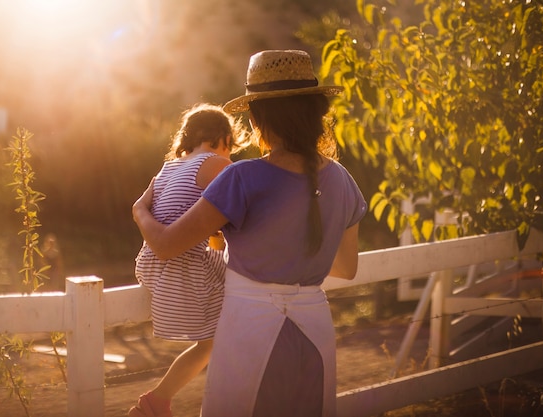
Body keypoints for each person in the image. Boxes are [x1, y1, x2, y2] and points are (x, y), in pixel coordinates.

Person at [132, 50, 367, 417]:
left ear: (258, 118)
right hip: (315, 331)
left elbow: (164, 246)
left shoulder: (241, 178)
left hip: (251, 331)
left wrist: (139, 211)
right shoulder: (342, 178)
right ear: (314, 113)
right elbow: (346, 267)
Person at [129, 103, 248, 417]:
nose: (231, 155)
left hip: (153, 266)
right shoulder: (216, 165)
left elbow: (162, 210)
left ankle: (158, 401)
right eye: (231, 147)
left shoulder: (166, 169)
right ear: (223, 138)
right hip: (185, 266)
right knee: (247, 304)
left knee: (210, 343)